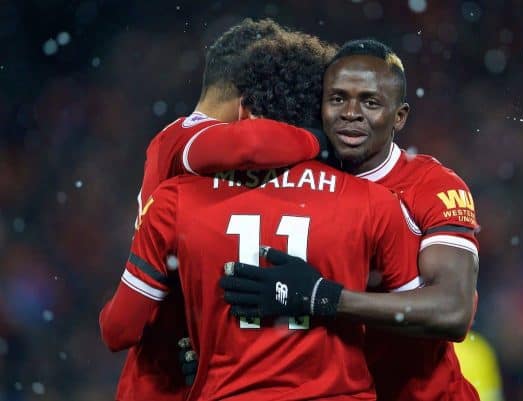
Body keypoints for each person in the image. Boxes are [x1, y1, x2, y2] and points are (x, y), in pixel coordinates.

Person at [99, 33, 423, 400]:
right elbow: (414, 318)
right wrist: (319, 143)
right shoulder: (369, 200)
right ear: (245, 110)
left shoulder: (178, 198)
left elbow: (120, 329)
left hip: (188, 376)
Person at [184, 39, 481, 401]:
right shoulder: (292, 181)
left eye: (370, 102)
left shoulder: (432, 187)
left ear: (399, 116)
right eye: (338, 98)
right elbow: (272, 292)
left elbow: (452, 312)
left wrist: (323, 297)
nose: (351, 113)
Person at [99, 19, 330, 401]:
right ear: (246, 103)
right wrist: (324, 142)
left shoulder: (195, 170)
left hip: (203, 371)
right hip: (167, 378)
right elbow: (250, 147)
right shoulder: (182, 140)